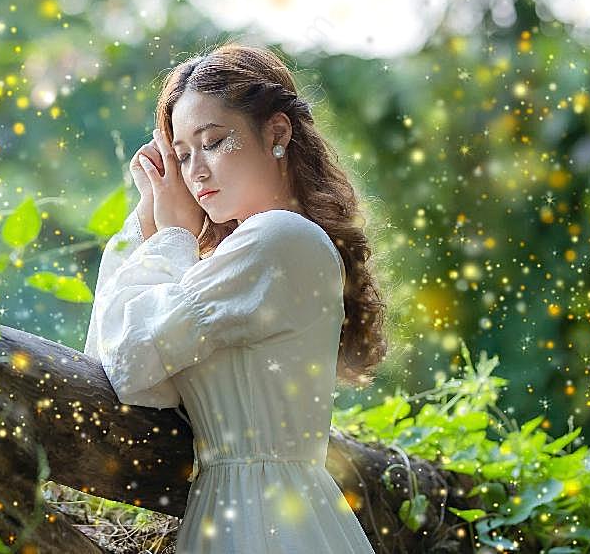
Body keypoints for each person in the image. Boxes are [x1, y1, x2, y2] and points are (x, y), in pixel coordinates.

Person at [83, 41, 388, 553]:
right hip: (233, 512)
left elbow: (129, 360)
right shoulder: (240, 259)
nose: (195, 172)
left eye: (214, 142)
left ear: (277, 133)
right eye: (181, 155)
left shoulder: (279, 240)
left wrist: (172, 237)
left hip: (268, 521)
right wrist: (148, 221)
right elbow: (123, 374)